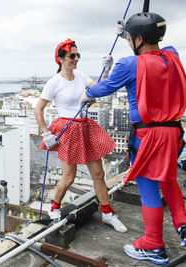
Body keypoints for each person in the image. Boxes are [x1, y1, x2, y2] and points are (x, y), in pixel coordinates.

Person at [81, 12, 186, 265]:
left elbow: (104, 88)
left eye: (131, 38)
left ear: (138, 38)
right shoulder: (173, 56)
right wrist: (130, 33)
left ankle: (153, 245)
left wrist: (88, 93)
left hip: (149, 135)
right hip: (174, 132)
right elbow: (158, 49)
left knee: (148, 187)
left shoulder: (129, 64)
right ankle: (183, 227)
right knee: (169, 178)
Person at [34, 38, 128, 233]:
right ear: (60, 59)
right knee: (68, 178)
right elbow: (38, 109)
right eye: (72, 56)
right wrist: (45, 132)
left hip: (85, 128)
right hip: (68, 129)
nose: (76, 59)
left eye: (78, 55)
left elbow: (102, 88)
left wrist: (107, 70)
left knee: (99, 174)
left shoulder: (82, 76)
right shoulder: (54, 83)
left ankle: (108, 213)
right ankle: (54, 209)